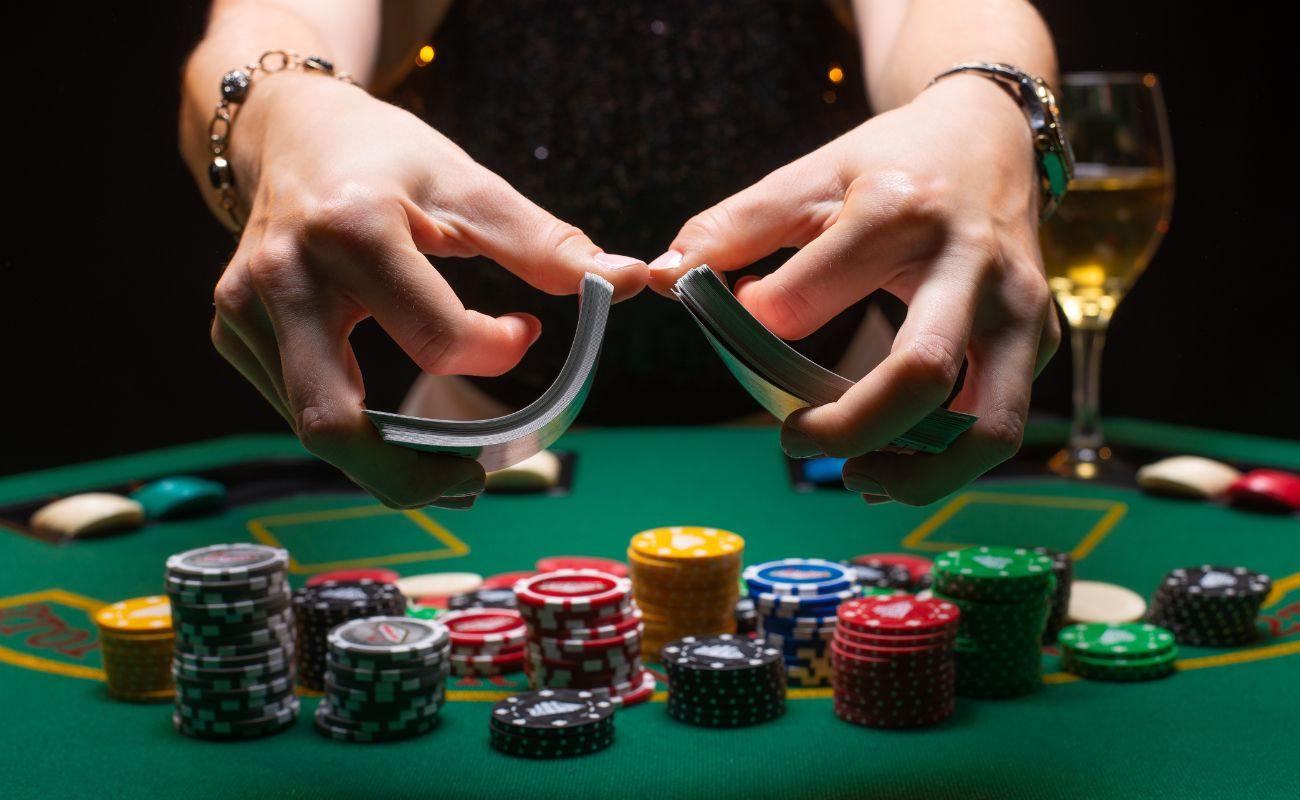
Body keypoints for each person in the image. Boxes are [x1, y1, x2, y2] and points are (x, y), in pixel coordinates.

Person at [180, 0, 1061, 510]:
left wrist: (984, 107)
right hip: (477, 447)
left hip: (850, 428)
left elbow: (948, 10)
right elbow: (269, 22)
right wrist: (282, 117)